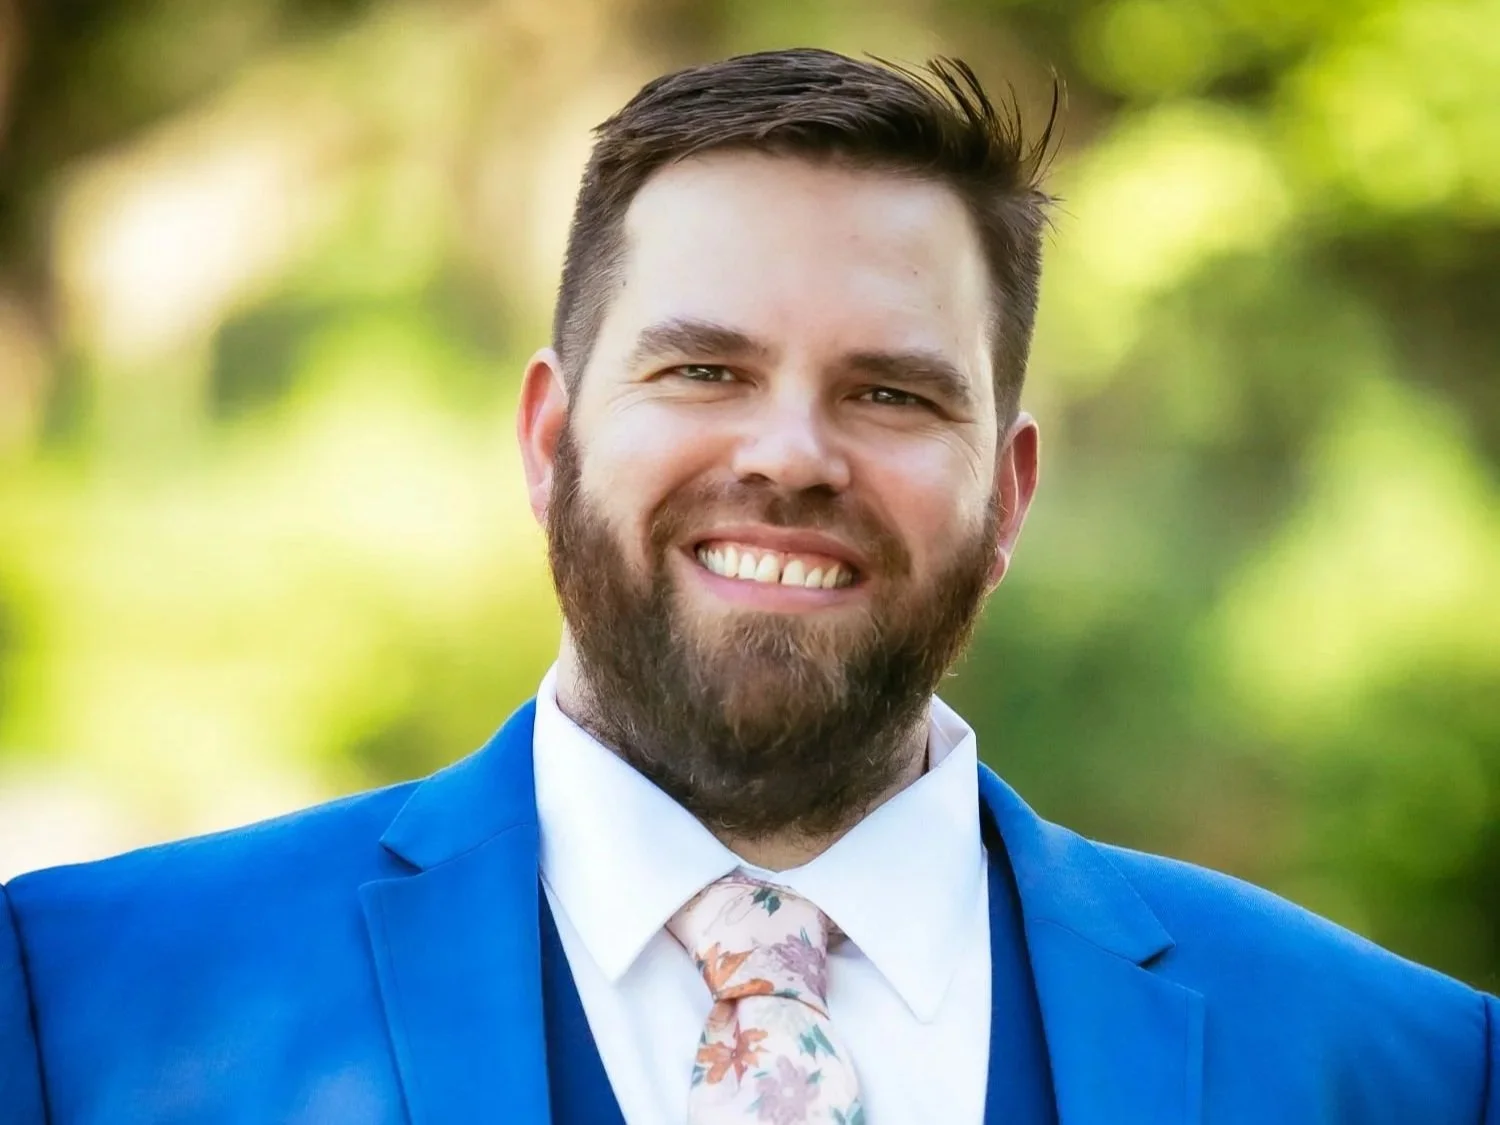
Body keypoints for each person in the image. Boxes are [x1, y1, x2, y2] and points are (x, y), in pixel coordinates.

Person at [1, 46, 1495, 1125]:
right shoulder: (79, 1010)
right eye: (704, 368)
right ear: (550, 437)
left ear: (1011, 494)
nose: (791, 455)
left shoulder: (1402, 1071)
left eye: (895, 394)